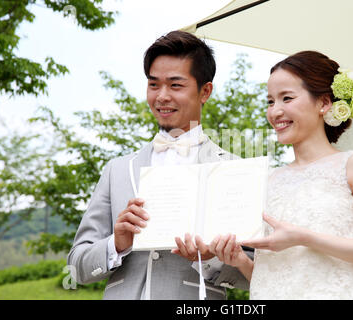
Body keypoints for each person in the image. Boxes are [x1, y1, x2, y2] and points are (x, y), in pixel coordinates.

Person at [209, 50, 353, 299]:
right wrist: (240, 261)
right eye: (270, 101)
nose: (275, 111)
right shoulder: (268, 180)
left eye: (286, 98)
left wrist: (304, 237)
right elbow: (274, 278)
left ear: (324, 103)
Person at [67, 30, 251, 300]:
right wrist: (117, 244)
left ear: (205, 91)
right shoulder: (116, 170)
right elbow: (76, 267)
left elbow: (255, 273)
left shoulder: (233, 170)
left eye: (175, 85)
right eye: (154, 85)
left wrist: (207, 259)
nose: (162, 96)